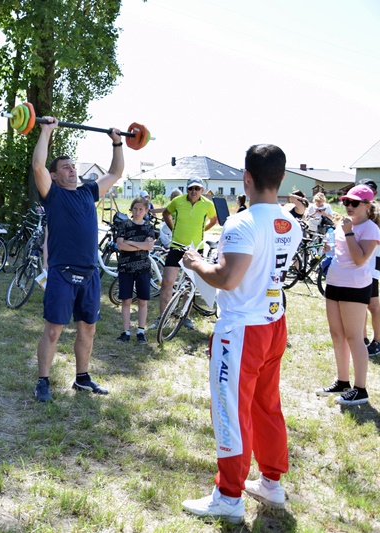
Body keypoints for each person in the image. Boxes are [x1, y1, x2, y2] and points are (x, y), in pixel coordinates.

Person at [180, 144, 302, 523]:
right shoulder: (291, 221)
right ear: (281, 179)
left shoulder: (242, 222)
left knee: (231, 409)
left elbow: (228, 278)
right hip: (272, 321)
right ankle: (270, 481)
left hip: (243, 328)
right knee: (267, 406)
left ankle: (229, 496)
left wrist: (198, 263)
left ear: (246, 179)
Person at [32, 117, 124, 402]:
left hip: (90, 272)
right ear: (55, 175)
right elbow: (37, 165)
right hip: (61, 271)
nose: (72, 170)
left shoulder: (88, 192)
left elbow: (116, 172)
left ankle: (82, 378)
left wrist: (117, 142)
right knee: (53, 330)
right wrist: (46, 131)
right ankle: (43, 381)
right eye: (65, 168)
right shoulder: (53, 194)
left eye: (74, 166)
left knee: (88, 328)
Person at [315, 184, 380, 406]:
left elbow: (361, 259)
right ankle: (342, 382)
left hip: (355, 287)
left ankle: (360, 389)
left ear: (367, 206)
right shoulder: (345, 225)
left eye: (354, 203)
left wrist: (349, 231)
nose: (349, 206)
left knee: (355, 338)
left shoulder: (370, 229)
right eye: (346, 202)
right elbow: (340, 253)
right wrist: (330, 247)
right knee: (337, 334)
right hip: (334, 282)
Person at [156, 178, 218, 330]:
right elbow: (166, 213)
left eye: (197, 188)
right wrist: (173, 229)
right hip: (176, 246)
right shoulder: (178, 201)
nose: (194, 191)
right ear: (187, 189)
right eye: (191, 188)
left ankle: (185, 317)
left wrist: (202, 231)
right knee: (167, 282)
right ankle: (163, 318)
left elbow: (214, 219)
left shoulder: (208, 205)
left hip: (195, 249)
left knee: (190, 285)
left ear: (202, 190)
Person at [115, 196, 155, 345]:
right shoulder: (124, 225)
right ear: (131, 209)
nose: (138, 211)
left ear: (146, 210)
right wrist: (140, 245)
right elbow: (120, 245)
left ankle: (140, 331)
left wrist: (130, 242)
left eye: (141, 209)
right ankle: (125, 332)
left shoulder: (149, 227)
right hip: (126, 267)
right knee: (126, 300)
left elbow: (149, 246)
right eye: (135, 208)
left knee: (142, 301)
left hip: (143, 267)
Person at [357, 179, 380, 357]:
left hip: (372, 265)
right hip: (359, 264)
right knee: (360, 304)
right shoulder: (356, 212)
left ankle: (377, 341)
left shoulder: (377, 213)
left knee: (372, 304)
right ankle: (362, 338)